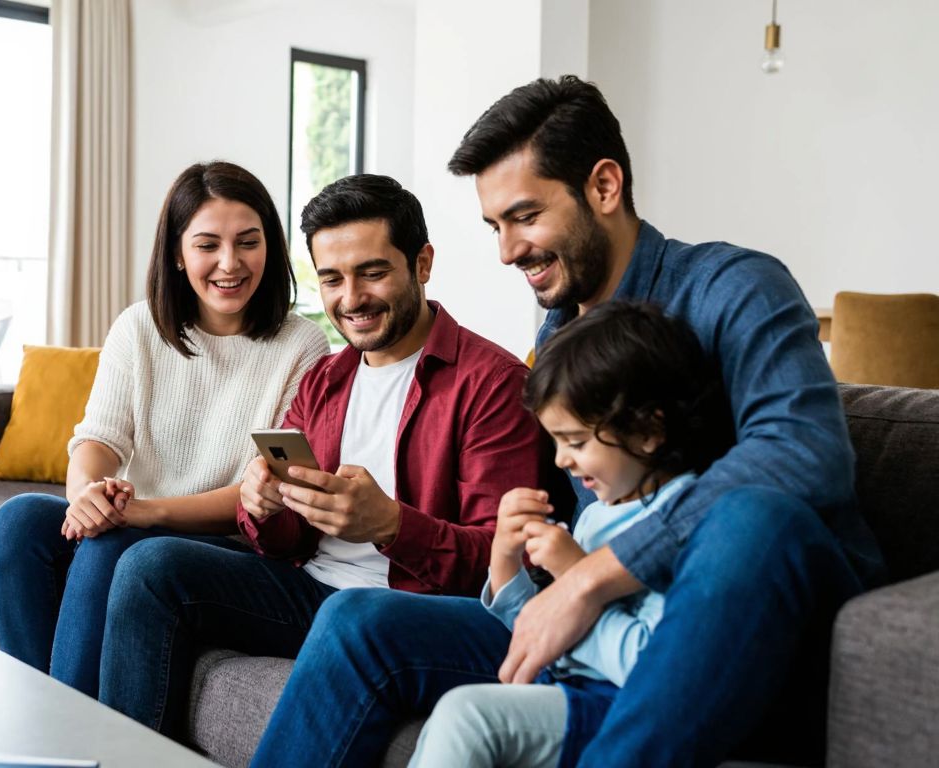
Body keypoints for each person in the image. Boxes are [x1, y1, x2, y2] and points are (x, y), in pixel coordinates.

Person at [249, 75, 884, 768]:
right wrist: (518, 578)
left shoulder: (733, 288)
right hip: (603, 634)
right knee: (357, 621)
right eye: (496, 226)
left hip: (743, 621)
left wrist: (592, 579)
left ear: (604, 187)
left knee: (754, 517)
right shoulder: (556, 344)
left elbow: (804, 454)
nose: (506, 250)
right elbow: (555, 539)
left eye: (524, 217)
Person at [94, 174, 548, 738]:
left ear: (422, 264)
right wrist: (262, 508)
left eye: (373, 273)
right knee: (149, 566)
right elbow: (285, 541)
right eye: (331, 279)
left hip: (406, 607)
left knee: (349, 613)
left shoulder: (493, 384)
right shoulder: (326, 380)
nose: (350, 299)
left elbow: (504, 564)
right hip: (307, 588)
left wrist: (392, 525)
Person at [0, 160, 329, 697]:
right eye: (207, 244)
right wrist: (86, 497)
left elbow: (262, 491)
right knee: (19, 521)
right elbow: (98, 439)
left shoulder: (302, 346)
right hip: (135, 519)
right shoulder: (139, 325)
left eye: (248, 242)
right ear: (176, 252)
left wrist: (141, 513)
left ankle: (64, 737)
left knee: (112, 541)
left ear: (271, 247)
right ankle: (37, 716)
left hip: (224, 545)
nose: (229, 263)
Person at [409, 301, 733, 768]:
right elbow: (543, 634)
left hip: (625, 707)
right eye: (556, 441)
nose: (560, 460)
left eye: (576, 442)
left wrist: (577, 573)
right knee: (456, 712)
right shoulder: (600, 514)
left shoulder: (685, 521)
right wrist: (504, 562)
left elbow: (653, 662)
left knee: (469, 715)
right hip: (565, 689)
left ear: (648, 430)